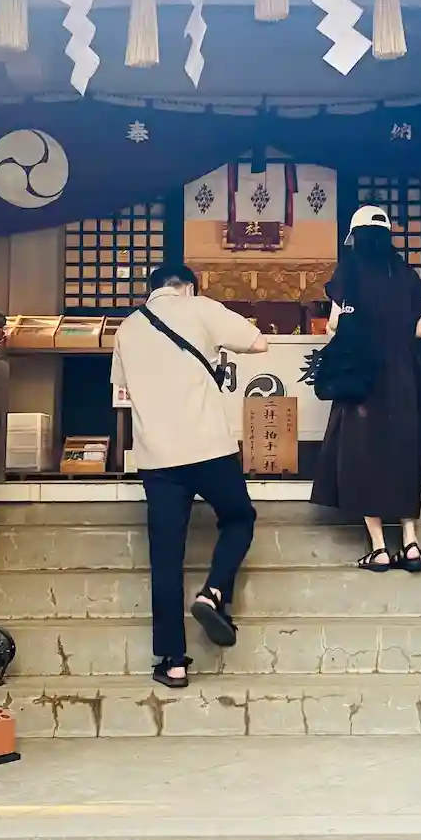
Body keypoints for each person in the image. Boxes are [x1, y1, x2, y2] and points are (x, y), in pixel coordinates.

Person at [111, 263, 270, 688]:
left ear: (152, 290)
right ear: (189, 287)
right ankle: (213, 592)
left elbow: (121, 387)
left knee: (166, 557)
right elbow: (259, 342)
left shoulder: (127, 327)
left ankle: (174, 662)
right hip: (209, 447)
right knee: (239, 517)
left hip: (157, 458)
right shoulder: (200, 307)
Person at [311, 206, 421, 572]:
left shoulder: (349, 270)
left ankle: (379, 548)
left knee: (362, 452)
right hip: (404, 374)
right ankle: (410, 542)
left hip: (362, 373)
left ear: (355, 236)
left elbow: (334, 323)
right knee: (404, 450)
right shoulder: (407, 274)